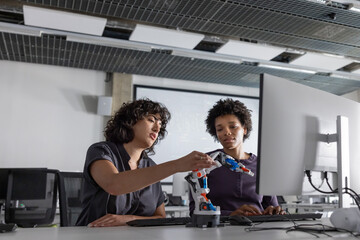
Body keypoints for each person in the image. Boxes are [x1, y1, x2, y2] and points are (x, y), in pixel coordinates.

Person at [76, 98, 215, 227]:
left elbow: (160, 217)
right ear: (130, 121)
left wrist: (129, 219)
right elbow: (114, 184)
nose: (157, 128)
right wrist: (177, 165)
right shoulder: (100, 150)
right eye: (151, 120)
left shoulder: (150, 166)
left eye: (160, 124)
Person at [189, 98, 284, 216]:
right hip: (217, 231)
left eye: (233, 126)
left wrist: (274, 211)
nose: (226, 132)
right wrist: (230, 215)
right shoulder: (205, 163)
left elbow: (271, 206)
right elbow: (195, 211)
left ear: (244, 129)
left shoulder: (262, 166)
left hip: (257, 230)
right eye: (220, 129)